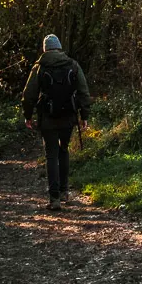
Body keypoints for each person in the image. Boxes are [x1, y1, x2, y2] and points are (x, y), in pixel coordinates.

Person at [22, 34, 91, 210]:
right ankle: (64, 191)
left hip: (48, 117)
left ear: (45, 49)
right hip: (68, 115)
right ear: (59, 47)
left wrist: (28, 115)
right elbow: (83, 91)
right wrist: (85, 115)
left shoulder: (39, 67)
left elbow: (29, 94)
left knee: (51, 155)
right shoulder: (73, 64)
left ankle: (54, 199)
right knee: (64, 150)